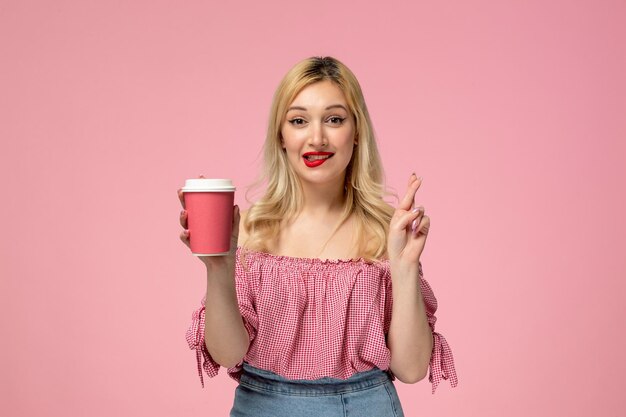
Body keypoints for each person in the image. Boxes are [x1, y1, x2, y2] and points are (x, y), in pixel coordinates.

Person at [178, 56, 457, 417]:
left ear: (357, 132)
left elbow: (412, 369)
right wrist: (219, 265)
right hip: (262, 406)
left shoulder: (388, 230)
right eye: (298, 120)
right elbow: (228, 354)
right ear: (281, 135)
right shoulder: (249, 229)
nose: (316, 138)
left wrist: (404, 267)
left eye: (334, 119)